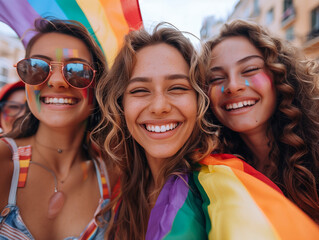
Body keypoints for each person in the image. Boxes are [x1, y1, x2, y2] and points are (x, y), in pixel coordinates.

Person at [92, 23, 218, 239]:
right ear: (120, 105)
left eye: (177, 87)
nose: (159, 107)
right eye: (140, 90)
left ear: (200, 99)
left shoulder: (223, 190)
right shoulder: (119, 190)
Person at [0, 18, 113, 239]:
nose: (58, 81)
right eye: (37, 67)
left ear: (98, 85)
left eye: (77, 70)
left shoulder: (113, 175)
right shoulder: (4, 161)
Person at [202, 19, 319, 223]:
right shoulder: (215, 171)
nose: (233, 86)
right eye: (216, 78)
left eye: (249, 70)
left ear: (279, 75)